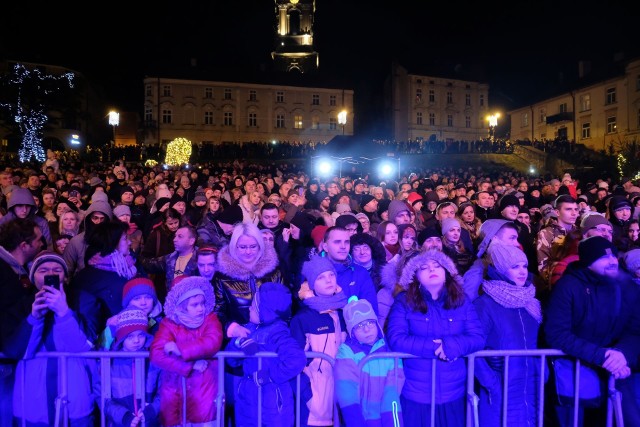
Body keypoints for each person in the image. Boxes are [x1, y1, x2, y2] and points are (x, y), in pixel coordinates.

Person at [545, 236, 640, 426]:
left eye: (614, 256)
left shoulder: (625, 286)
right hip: (578, 371)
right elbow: (557, 333)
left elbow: (635, 329)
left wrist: (622, 355)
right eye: (604, 257)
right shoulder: (569, 286)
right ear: (588, 261)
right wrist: (603, 356)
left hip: (618, 371)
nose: (612, 261)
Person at [386, 250, 485, 427]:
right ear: (415, 276)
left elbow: (477, 336)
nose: (431, 269)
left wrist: (453, 345)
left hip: (453, 393)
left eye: (437, 266)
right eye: (424, 267)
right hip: (416, 394)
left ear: (447, 272)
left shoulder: (462, 301)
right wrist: (436, 348)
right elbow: (396, 338)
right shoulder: (403, 302)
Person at [11, 250, 98, 426]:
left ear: (65, 277)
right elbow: (19, 350)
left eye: (57, 270)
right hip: (33, 397)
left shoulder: (85, 300)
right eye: (43, 271)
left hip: (74, 393)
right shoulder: (22, 305)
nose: (50, 274)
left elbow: (82, 347)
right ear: (33, 276)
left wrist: (64, 312)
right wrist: (35, 318)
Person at [473, 244, 543, 427]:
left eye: (524, 266)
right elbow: (473, 347)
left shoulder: (532, 303)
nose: (522, 272)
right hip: (501, 389)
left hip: (531, 384)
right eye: (514, 267)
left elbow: (539, 342)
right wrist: (492, 383)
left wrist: (543, 371)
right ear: (501, 270)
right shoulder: (485, 304)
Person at [225, 282, 306, 427]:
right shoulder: (249, 329)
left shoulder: (278, 333)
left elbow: (296, 359)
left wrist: (268, 376)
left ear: (264, 310)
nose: (249, 308)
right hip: (247, 397)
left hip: (272, 399)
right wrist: (238, 344)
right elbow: (231, 360)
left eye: (254, 306)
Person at [150, 276, 223, 427]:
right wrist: (189, 365)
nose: (201, 308)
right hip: (173, 392)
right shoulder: (168, 324)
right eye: (194, 305)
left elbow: (213, 341)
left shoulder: (210, 319)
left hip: (204, 391)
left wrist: (180, 349)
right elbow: (157, 353)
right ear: (182, 306)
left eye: (202, 303)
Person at [291, 254, 349, 426]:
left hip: (340, 394)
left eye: (331, 275)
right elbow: (295, 360)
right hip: (315, 399)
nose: (329, 280)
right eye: (321, 277)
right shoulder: (303, 318)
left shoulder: (343, 312)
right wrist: (307, 395)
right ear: (311, 285)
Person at [334, 297, 405, 426]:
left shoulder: (390, 351)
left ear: (377, 324)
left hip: (383, 419)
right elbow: (346, 393)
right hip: (358, 419)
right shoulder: (346, 352)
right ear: (352, 332)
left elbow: (392, 394)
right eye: (359, 326)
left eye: (370, 323)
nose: (367, 329)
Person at [70, 220, 137, 343]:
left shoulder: (130, 268)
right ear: (111, 242)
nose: (129, 242)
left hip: (131, 340)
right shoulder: (86, 277)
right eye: (124, 238)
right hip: (103, 345)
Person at [213, 222, 282, 337]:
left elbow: (284, 306)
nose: (248, 252)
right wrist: (230, 327)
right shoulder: (222, 276)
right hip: (237, 343)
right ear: (234, 246)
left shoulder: (273, 272)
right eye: (243, 247)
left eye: (253, 246)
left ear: (260, 245)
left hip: (270, 339)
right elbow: (216, 312)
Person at [105, 308, 161, 427]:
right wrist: (124, 416)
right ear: (121, 338)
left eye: (141, 335)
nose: (136, 341)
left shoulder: (154, 360)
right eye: (130, 337)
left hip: (151, 422)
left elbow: (164, 390)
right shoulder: (110, 362)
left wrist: (152, 410)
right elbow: (104, 398)